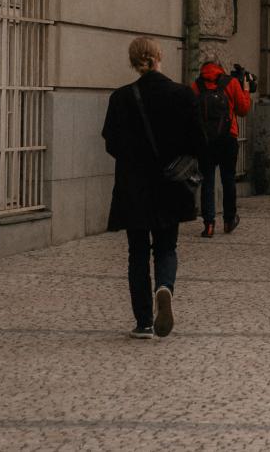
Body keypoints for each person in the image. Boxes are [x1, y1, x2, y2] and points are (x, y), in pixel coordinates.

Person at [103, 37, 205, 338]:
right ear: (159, 57)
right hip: (170, 184)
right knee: (166, 247)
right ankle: (164, 287)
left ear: (133, 61)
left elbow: (111, 143)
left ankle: (144, 322)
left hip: (133, 186)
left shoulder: (120, 98)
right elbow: (198, 141)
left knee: (137, 252)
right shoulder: (182, 94)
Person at [192, 53, 251, 237]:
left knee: (207, 180)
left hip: (205, 140)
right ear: (220, 66)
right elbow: (243, 109)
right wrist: (246, 89)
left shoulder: (196, 85)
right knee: (228, 179)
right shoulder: (230, 83)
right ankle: (229, 220)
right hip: (228, 137)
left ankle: (209, 224)